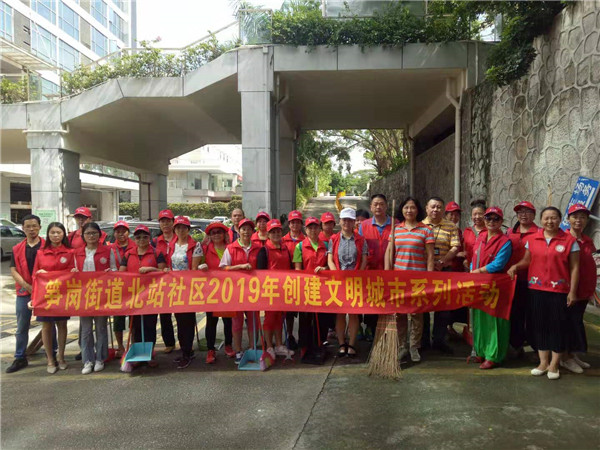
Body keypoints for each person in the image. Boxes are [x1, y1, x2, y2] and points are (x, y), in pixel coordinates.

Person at [507, 207, 580, 380]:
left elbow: (575, 268)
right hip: (536, 290)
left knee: (557, 327)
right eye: (546, 218)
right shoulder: (532, 239)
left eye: (553, 218)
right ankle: (543, 363)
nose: (550, 221)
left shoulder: (570, 241)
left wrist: (572, 292)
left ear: (560, 220)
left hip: (559, 291)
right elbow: (527, 260)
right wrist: (515, 266)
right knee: (539, 326)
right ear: (541, 220)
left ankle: (554, 364)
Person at [384, 197, 434, 363]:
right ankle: (402, 346)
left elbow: (430, 256)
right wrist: (387, 275)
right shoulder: (396, 229)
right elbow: (389, 253)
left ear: (417, 210)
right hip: (398, 279)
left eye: (412, 207)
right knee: (400, 314)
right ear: (402, 210)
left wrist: (429, 278)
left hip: (418, 279)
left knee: (417, 314)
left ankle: (414, 346)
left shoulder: (426, 230)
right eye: (406, 207)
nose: (409, 210)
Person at [469, 207, 513, 369]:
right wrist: (472, 272)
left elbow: (498, 264)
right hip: (479, 284)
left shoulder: (505, 241)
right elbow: (474, 258)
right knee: (479, 319)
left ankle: (493, 355)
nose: (491, 222)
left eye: (496, 219)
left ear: (501, 222)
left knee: (494, 320)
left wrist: (478, 271)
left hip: (495, 286)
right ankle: (480, 350)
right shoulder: (480, 237)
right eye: (488, 218)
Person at [120, 224, 168, 368]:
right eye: (138, 237)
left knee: (149, 325)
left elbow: (163, 272)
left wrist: (150, 269)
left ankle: (149, 353)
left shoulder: (157, 253)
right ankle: (137, 355)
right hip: (133, 296)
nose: (141, 240)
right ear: (134, 239)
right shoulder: (128, 254)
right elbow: (121, 273)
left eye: (145, 237)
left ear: (149, 238)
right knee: (135, 326)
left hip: (151, 295)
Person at [73, 222, 117, 374]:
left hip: (101, 296)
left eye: (94, 233)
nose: (91, 236)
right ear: (83, 236)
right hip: (83, 296)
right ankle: (87, 360)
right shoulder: (77, 253)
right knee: (85, 330)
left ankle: (100, 358)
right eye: (88, 233)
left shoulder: (107, 251)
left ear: (99, 235)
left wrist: (110, 272)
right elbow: (73, 271)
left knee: (101, 328)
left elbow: (115, 269)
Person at [33, 222, 75, 374]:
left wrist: (73, 271)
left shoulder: (70, 252)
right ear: (48, 234)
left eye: (59, 232)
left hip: (62, 296)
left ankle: (61, 357)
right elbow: (35, 275)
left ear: (64, 234)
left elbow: (72, 274)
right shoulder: (41, 253)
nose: (56, 235)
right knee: (46, 326)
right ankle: (50, 359)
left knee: (62, 325)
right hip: (45, 296)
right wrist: (39, 275)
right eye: (53, 232)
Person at [421, 197, 461, 353]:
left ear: (443, 210)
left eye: (438, 207)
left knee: (443, 307)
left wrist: (443, 261)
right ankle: (423, 341)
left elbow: (455, 247)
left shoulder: (451, 226)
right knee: (423, 306)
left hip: (444, 271)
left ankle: (439, 340)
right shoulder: (420, 226)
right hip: (424, 271)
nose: (435, 210)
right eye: (432, 207)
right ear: (427, 208)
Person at [327, 208, 368, 357]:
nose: (347, 223)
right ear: (340, 221)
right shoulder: (333, 239)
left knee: (353, 313)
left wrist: (358, 275)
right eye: (344, 220)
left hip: (355, 282)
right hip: (339, 281)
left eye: (350, 220)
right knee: (340, 313)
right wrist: (336, 275)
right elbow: (330, 259)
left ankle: (351, 344)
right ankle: (341, 343)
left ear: (354, 222)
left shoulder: (361, 240)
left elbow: (364, 259)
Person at [220, 218, 261, 364]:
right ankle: (238, 350)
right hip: (236, 292)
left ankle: (252, 348)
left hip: (253, 291)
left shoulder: (258, 248)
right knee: (236, 322)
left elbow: (263, 269)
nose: (246, 232)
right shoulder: (231, 248)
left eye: (249, 229)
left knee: (253, 321)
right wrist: (240, 267)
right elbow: (223, 268)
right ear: (239, 231)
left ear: (252, 231)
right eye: (243, 229)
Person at [6, 215, 44, 373]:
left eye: (34, 226)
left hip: (45, 292)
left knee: (48, 324)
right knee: (22, 326)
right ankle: (20, 357)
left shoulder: (47, 246)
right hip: (24, 291)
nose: (31, 229)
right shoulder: (17, 248)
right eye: (28, 226)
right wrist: (28, 287)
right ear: (23, 228)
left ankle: (53, 354)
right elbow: (13, 270)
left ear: (40, 227)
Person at [561, 204, 596, 373]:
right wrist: (570, 291)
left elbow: (591, 265)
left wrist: (590, 291)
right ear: (568, 219)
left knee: (576, 323)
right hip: (569, 291)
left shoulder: (588, 241)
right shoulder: (564, 239)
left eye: (582, 217)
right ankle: (565, 358)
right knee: (568, 324)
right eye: (575, 217)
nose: (578, 220)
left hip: (584, 292)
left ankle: (573, 354)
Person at [195, 222, 236, 364]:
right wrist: (201, 267)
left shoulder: (231, 248)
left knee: (227, 321)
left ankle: (229, 345)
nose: (216, 235)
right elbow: (196, 267)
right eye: (213, 233)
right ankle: (210, 350)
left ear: (224, 234)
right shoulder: (205, 249)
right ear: (210, 236)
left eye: (219, 232)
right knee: (211, 321)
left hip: (228, 290)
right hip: (211, 291)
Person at [505, 200, 540, 356]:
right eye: (520, 212)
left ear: (534, 215)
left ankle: (535, 347)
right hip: (512, 280)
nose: (523, 215)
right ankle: (516, 344)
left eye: (527, 212)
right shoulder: (510, 233)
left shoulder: (540, 233)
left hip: (533, 280)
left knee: (533, 315)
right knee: (515, 313)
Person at [293, 217, 330, 363]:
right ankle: (305, 347)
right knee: (305, 319)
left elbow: (330, 265)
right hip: (306, 289)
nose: (313, 230)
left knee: (322, 318)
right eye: (310, 228)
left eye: (315, 227)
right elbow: (298, 269)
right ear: (305, 229)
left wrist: (324, 268)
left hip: (323, 288)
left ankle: (320, 345)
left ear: (320, 229)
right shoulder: (300, 246)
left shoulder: (326, 245)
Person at [257, 219, 294, 361]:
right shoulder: (264, 250)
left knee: (280, 318)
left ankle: (279, 345)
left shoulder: (285, 249)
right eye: (273, 232)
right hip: (270, 291)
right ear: (268, 234)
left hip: (284, 290)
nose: (276, 234)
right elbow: (260, 273)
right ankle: (269, 347)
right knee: (270, 319)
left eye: (278, 231)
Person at [167, 216, 198, 369]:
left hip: (189, 288)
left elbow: (194, 269)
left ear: (188, 229)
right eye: (178, 228)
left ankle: (188, 351)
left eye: (184, 228)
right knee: (179, 320)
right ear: (174, 230)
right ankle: (184, 349)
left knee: (188, 320)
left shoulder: (195, 245)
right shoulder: (171, 245)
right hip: (175, 288)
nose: (181, 230)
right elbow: (169, 265)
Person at [359, 194, 392, 341]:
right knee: (371, 302)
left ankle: (387, 331)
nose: (378, 207)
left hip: (389, 271)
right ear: (371, 207)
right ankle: (370, 329)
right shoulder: (364, 225)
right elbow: (360, 247)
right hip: (370, 271)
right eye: (375, 204)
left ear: (386, 206)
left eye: (381, 204)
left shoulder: (396, 224)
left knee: (388, 302)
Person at [152, 209, 176, 354]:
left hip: (179, 282)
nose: (165, 224)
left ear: (173, 222)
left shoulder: (180, 238)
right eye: (162, 221)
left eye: (168, 221)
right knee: (164, 314)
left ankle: (186, 342)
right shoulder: (154, 242)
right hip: (160, 283)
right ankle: (169, 342)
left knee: (182, 313)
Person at [110, 220, 135, 357]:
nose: (121, 234)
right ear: (114, 233)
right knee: (118, 319)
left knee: (134, 318)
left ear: (128, 233)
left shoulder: (135, 246)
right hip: (117, 288)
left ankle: (134, 345)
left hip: (134, 287)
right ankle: (120, 346)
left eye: (123, 231)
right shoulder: (110, 248)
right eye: (118, 231)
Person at [282, 210, 305, 350]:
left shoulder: (306, 240)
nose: (295, 225)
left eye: (297, 222)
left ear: (301, 224)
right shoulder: (282, 240)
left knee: (303, 311)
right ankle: (289, 336)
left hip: (303, 282)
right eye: (292, 222)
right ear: (289, 224)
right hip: (287, 282)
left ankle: (303, 337)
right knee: (289, 312)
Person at [461, 200, 487, 268]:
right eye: (474, 214)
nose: (477, 217)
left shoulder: (490, 231)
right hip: (469, 267)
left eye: (480, 214)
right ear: (471, 216)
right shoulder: (467, 231)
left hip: (485, 268)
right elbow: (464, 248)